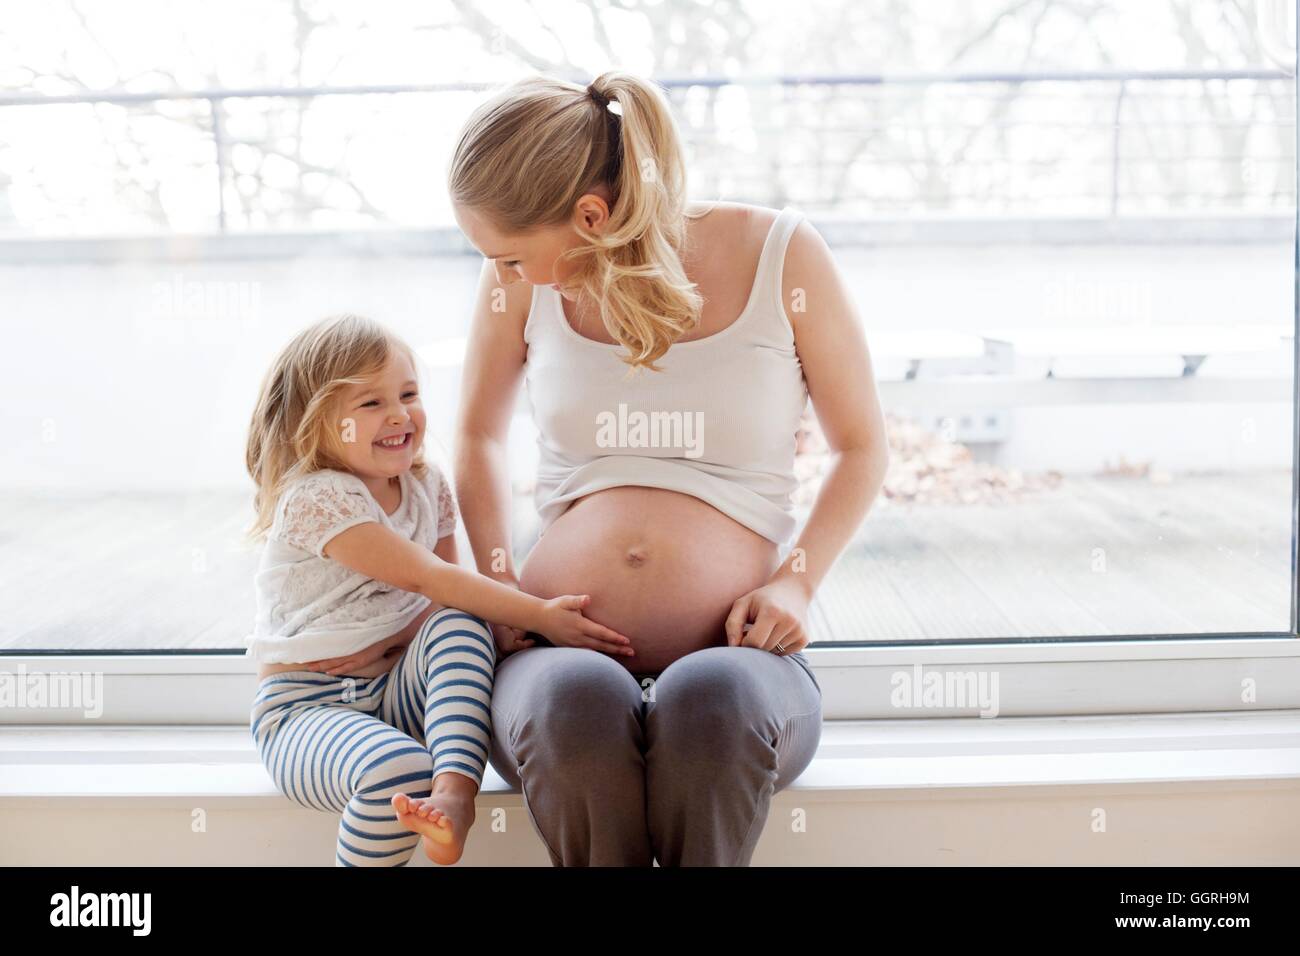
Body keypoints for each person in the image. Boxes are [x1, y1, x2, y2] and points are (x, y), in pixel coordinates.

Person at [448, 72, 890, 865]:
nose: (504, 276)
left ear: (589, 214)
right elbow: (479, 435)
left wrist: (796, 581)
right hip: (556, 652)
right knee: (572, 710)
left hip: (740, 662)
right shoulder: (514, 284)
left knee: (710, 704)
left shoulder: (782, 254)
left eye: (513, 259)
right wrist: (500, 586)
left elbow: (862, 446)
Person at [243, 313, 633, 866]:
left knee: (462, 620)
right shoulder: (318, 497)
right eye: (371, 403)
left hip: (399, 692)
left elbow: (447, 601)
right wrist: (543, 614)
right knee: (397, 772)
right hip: (307, 709)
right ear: (318, 421)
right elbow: (430, 579)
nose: (400, 414)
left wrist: (451, 632)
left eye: (408, 393)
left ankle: (454, 794)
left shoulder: (426, 486)